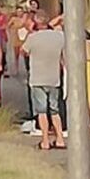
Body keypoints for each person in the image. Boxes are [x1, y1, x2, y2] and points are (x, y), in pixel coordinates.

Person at [21, 14, 66, 150]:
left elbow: (24, 51)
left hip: (37, 78)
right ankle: (60, 139)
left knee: (41, 111)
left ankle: (45, 140)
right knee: (54, 109)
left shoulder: (33, 37)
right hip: (54, 77)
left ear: (35, 23)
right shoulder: (59, 36)